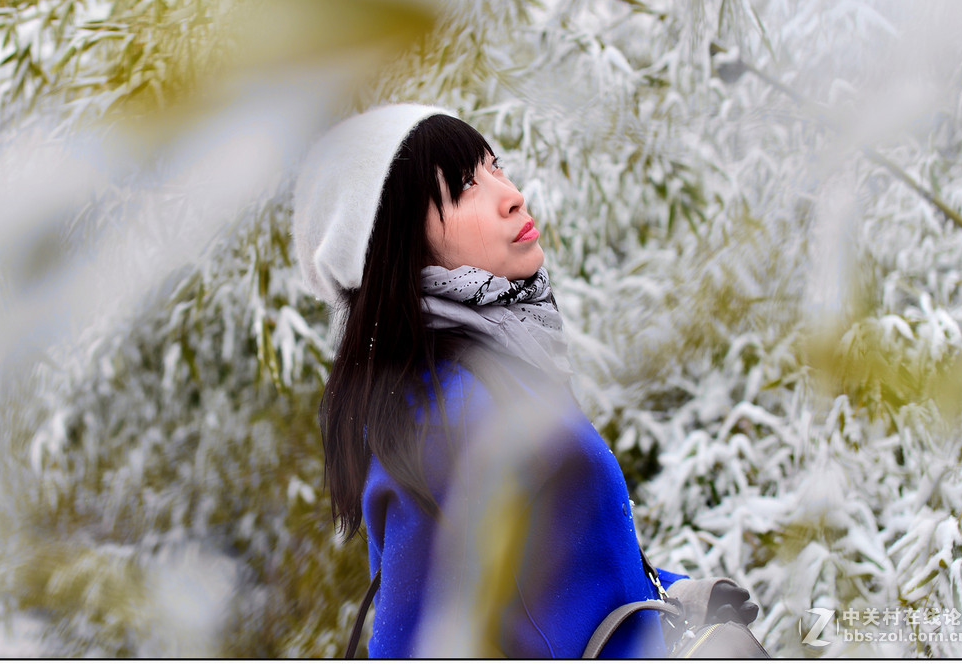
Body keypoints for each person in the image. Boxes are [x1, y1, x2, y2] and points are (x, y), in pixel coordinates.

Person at [293, 104, 755, 658]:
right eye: (465, 187)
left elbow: (561, 586)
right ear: (399, 246)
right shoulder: (448, 419)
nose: (510, 194)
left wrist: (674, 594)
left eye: (496, 167)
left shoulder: (492, 367)